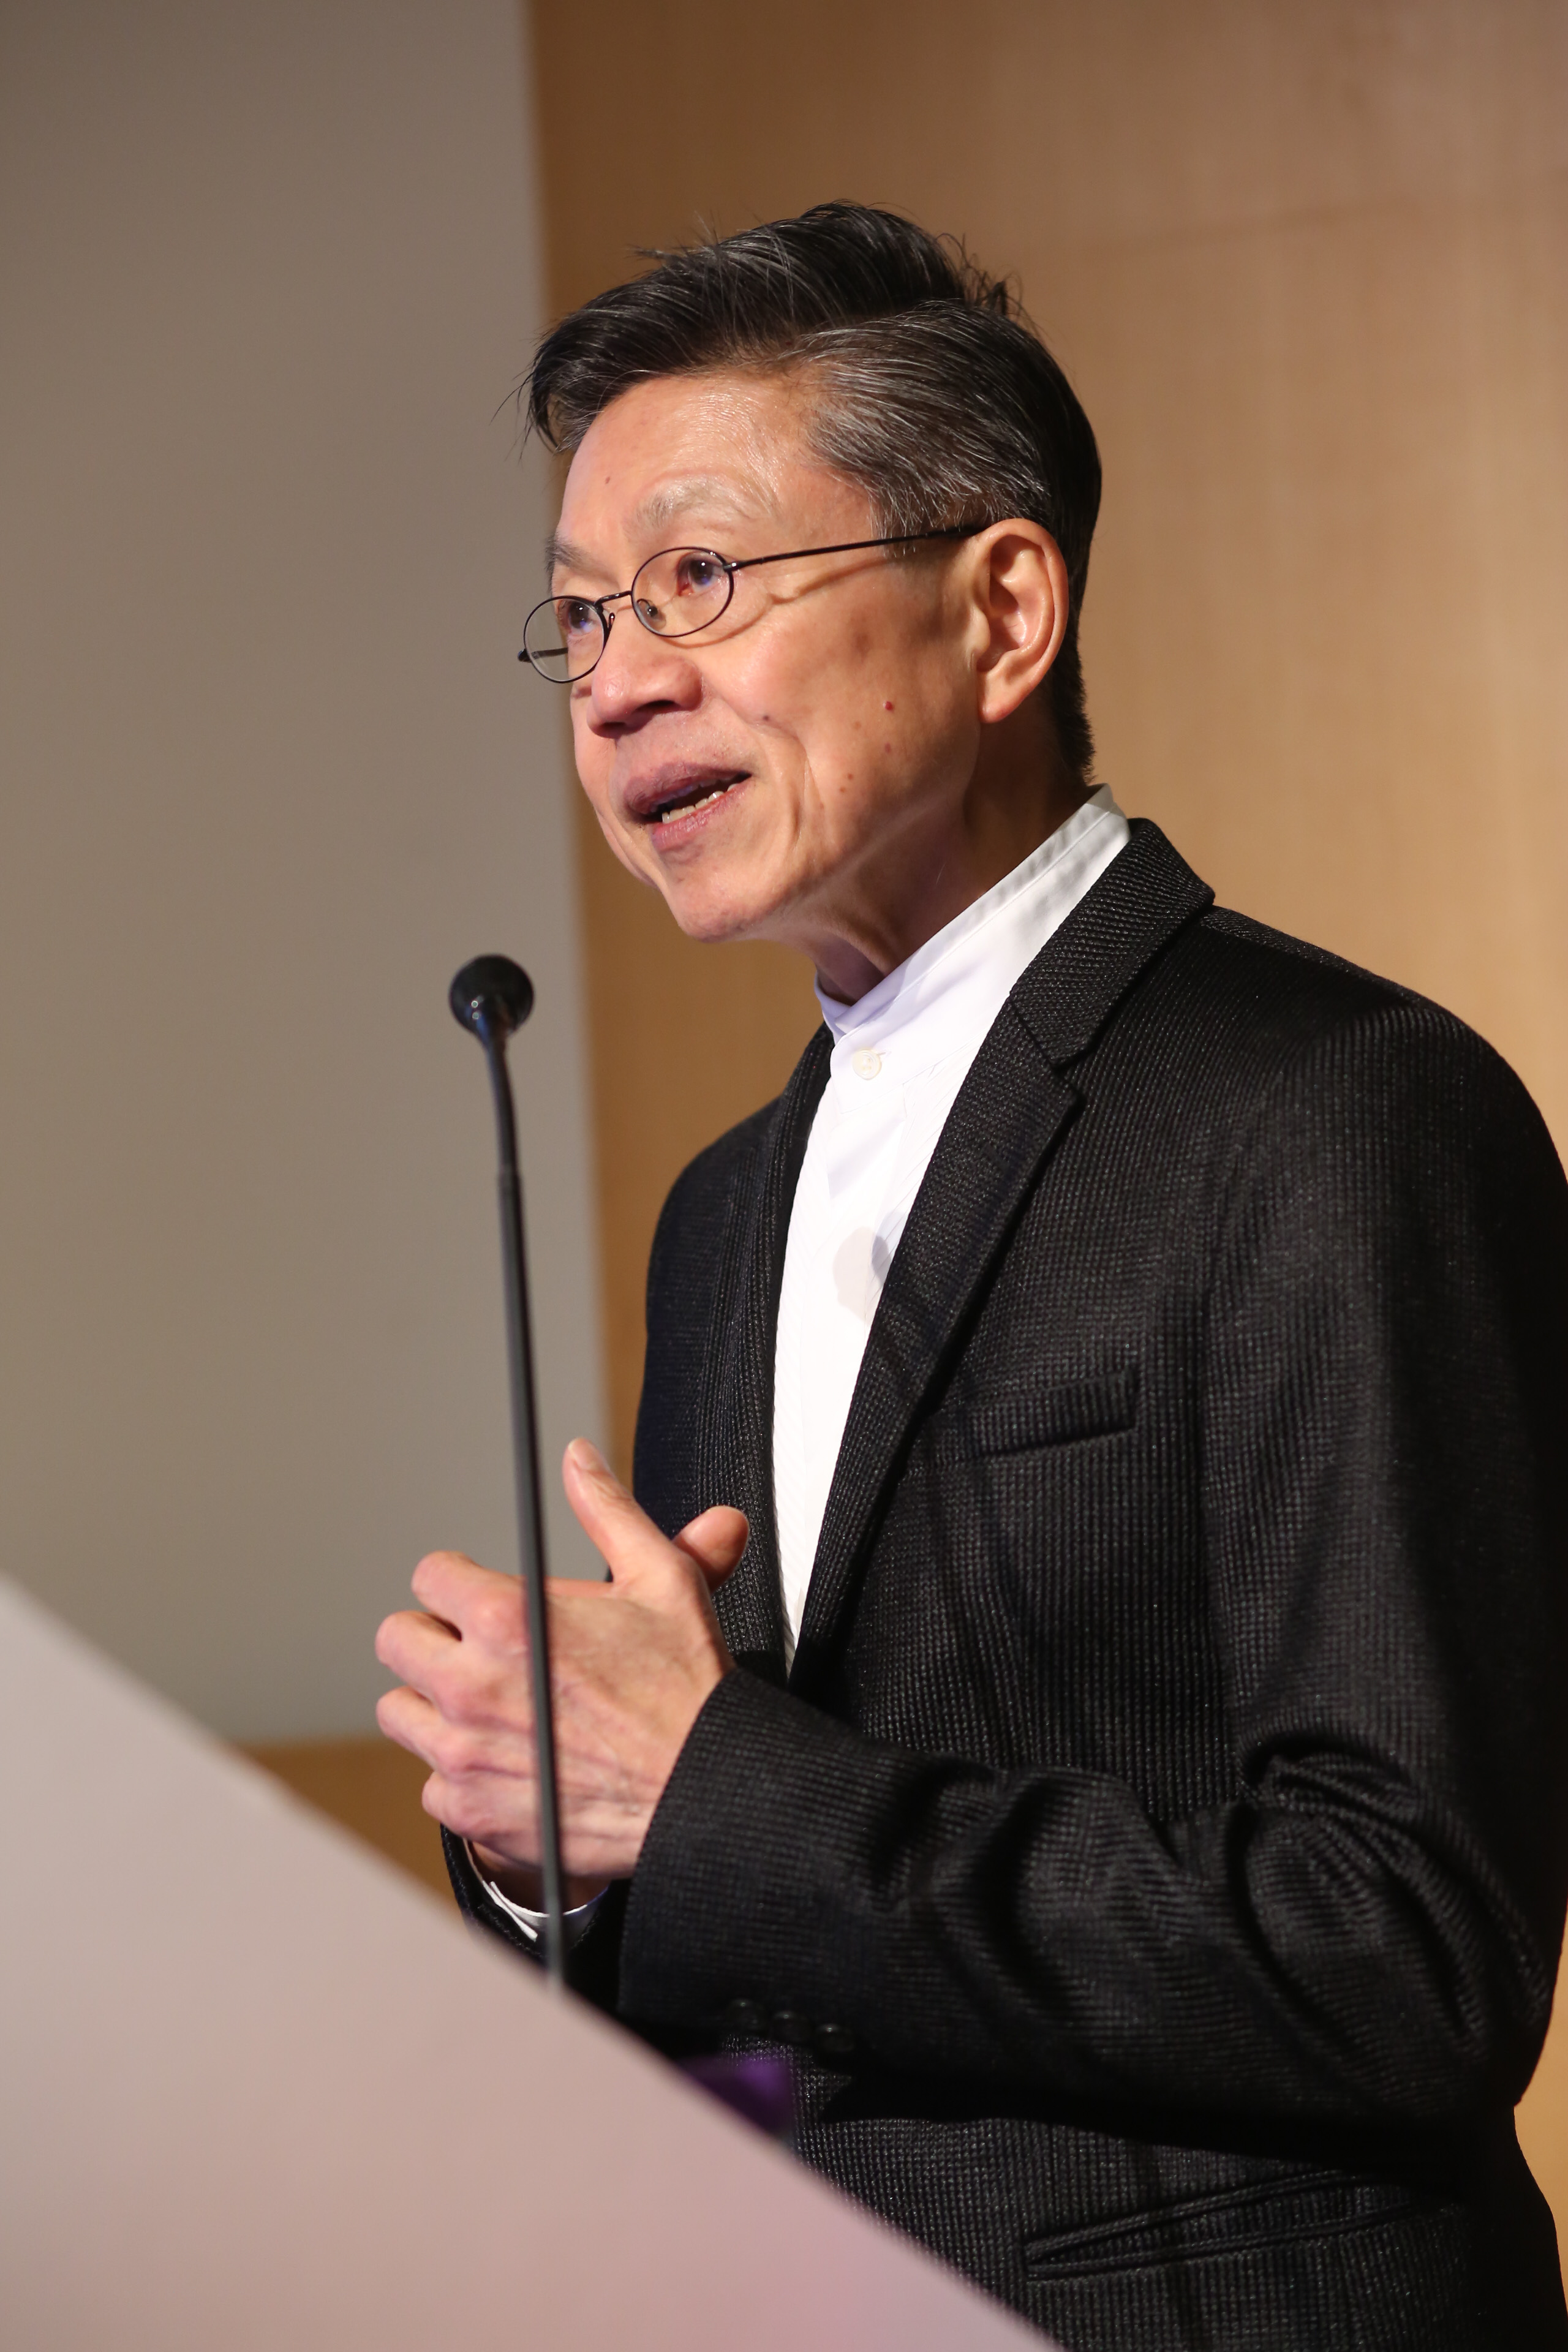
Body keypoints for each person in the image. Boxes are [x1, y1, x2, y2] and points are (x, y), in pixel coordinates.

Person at [375, 203, 1568, 2348]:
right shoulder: (724, 1209)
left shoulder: (1339, 1111)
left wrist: (710, 1784)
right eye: (578, 621)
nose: (623, 677)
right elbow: (765, 1949)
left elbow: (1406, 1955)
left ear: (1003, 609)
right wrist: (561, 1848)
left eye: (703, 580)